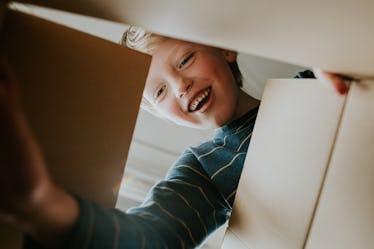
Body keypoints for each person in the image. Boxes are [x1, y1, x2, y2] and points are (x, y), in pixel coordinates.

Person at [0, 26, 349, 249]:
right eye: (160, 91)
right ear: (161, 113)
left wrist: (346, 67)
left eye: (186, 60)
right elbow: (153, 238)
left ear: (225, 48)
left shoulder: (309, 85)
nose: (181, 87)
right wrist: (41, 203)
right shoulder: (204, 169)